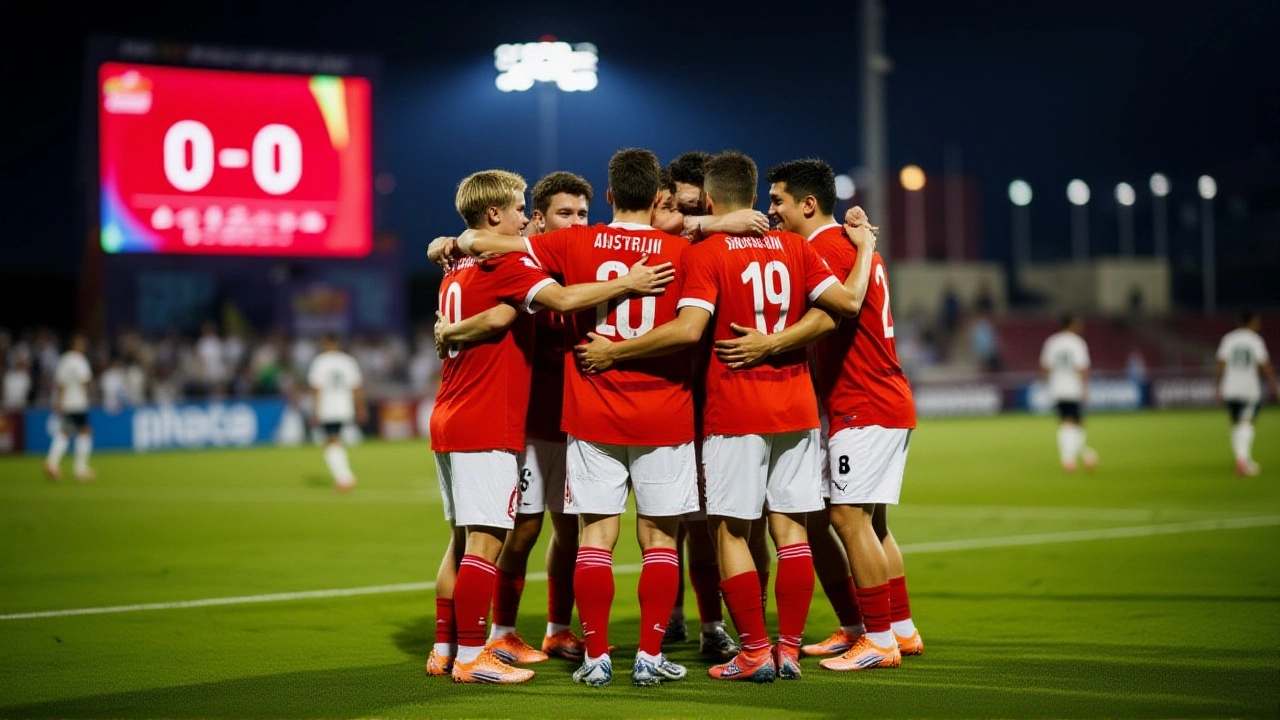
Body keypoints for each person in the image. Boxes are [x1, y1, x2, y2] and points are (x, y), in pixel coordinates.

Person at [575, 151, 873, 682]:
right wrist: (780, 342)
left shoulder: (709, 252)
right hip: (797, 408)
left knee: (731, 533)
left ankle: (755, 650)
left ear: (710, 199)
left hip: (734, 406)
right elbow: (839, 310)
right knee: (793, 533)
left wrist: (615, 352)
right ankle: (788, 650)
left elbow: (690, 330)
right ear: (756, 198)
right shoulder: (793, 246)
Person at [452, 150, 708, 687]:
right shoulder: (682, 251)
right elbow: (690, 331)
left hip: (591, 413)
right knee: (659, 539)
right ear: (659, 198)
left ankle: (595, 658)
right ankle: (649, 656)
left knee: (594, 537)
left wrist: (454, 242)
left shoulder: (573, 243)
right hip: (665, 412)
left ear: (609, 197)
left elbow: (484, 243)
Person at [717, 159, 920, 671]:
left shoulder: (824, 247)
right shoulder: (847, 245)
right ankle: (895, 627)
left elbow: (836, 311)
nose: (772, 211)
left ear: (808, 204)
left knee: (847, 519)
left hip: (864, 402)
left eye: (779, 200)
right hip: (878, 398)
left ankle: (877, 639)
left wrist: (769, 345)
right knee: (869, 523)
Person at [1215, 310, 1277, 476]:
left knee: (1236, 424)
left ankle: (1242, 458)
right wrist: (1273, 384)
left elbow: (1220, 364)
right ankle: (1242, 461)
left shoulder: (1229, 339)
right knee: (1247, 423)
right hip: (1248, 388)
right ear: (1251, 322)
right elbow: (1264, 364)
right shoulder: (1255, 340)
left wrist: (1217, 387)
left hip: (1230, 387)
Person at [306, 333, 367, 492]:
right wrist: (360, 407)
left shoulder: (320, 362)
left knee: (331, 442)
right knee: (334, 440)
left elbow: (316, 389)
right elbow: (355, 388)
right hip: (345, 406)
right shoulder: (347, 361)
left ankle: (344, 478)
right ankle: (344, 476)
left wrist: (314, 411)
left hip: (328, 407)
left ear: (325, 343)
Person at [1040, 314, 1098, 472]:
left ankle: (1086, 454)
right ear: (1072, 324)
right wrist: (1085, 389)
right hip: (1073, 388)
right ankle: (1069, 459)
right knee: (1073, 423)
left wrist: (1048, 383)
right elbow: (1082, 368)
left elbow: (1045, 367)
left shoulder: (1052, 342)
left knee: (1069, 423)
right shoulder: (1077, 343)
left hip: (1057, 387)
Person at [45, 334, 95, 481]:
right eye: (82, 343)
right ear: (75, 345)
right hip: (78, 402)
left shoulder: (64, 360)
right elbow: (85, 381)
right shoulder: (80, 360)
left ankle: (52, 463)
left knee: (65, 432)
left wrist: (59, 402)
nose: (84, 346)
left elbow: (60, 384)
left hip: (66, 402)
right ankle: (80, 469)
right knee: (85, 431)